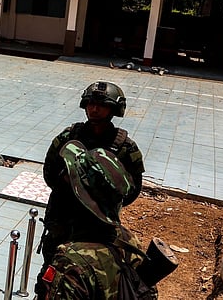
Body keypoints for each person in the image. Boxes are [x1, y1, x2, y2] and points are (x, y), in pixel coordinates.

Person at [37, 81, 145, 298]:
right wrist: (68, 183)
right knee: (54, 277)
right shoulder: (69, 137)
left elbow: (132, 191)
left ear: (115, 110)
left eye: (101, 105)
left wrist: (99, 195)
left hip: (97, 224)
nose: (94, 109)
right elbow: (49, 172)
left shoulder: (125, 147)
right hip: (63, 220)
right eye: (91, 104)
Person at [39, 140, 157, 299]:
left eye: (69, 179)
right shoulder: (129, 241)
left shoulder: (70, 263)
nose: (62, 180)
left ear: (80, 198)